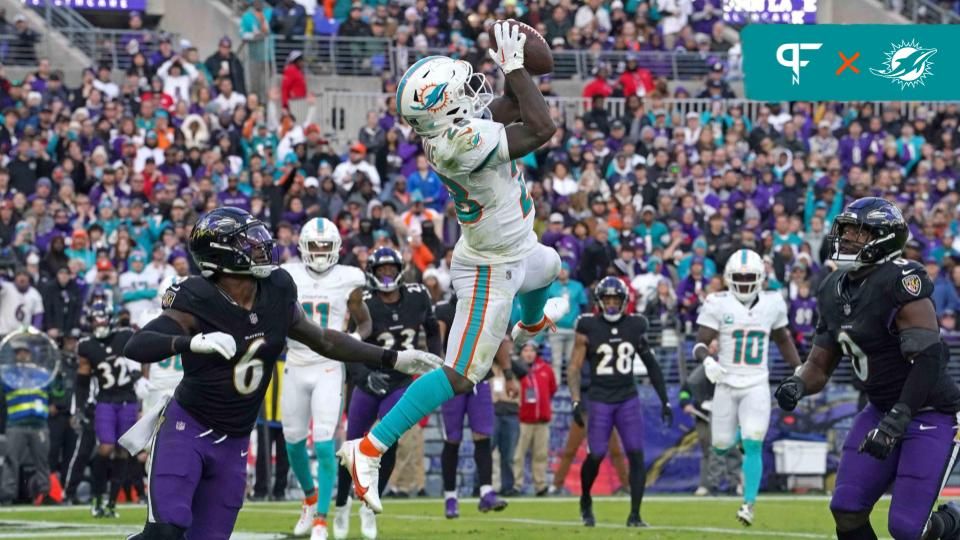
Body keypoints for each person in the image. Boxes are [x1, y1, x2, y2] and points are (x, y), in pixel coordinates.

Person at [341, 22, 567, 515]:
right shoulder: (456, 142)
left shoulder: (454, 128)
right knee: (463, 374)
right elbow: (542, 127)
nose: (473, 90)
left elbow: (513, 107)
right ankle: (369, 448)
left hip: (516, 250)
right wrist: (513, 68)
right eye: (461, 89)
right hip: (490, 268)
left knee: (549, 263)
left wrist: (519, 68)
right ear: (442, 106)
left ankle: (530, 322)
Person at [120, 207, 440, 540]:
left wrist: (393, 358)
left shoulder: (276, 287)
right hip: (187, 428)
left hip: (235, 440)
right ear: (221, 253)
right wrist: (191, 342)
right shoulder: (198, 296)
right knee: (165, 532)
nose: (260, 245)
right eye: (247, 241)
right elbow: (137, 344)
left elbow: (322, 339)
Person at [775, 197, 960, 540]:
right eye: (844, 230)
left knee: (907, 529)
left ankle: (953, 524)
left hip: (929, 411)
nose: (846, 239)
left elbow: (929, 359)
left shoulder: (902, 279)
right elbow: (818, 363)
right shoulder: (832, 288)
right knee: (846, 509)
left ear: (884, 237)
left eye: (858, 233)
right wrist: (797, 385)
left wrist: (898, 419)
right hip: (879, 408)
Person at [334, 247, 442, 540]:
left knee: (387, 443)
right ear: (372, 272)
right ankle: (342, 504)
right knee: (351, 447)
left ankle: (368, 507)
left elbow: (432, 329)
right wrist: (364, 377)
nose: (386, 275)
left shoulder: (418, 295)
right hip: (367, 381)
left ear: (400, 270)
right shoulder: (363, 300)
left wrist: (438, 360)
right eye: (381, 270)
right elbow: (349, 345)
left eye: (390, 270)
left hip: (399, 381)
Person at [692, 248, 801, 526]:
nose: (743, 282)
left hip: (756, 383)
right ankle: (737, 439)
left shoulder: (773, 303)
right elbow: (700, 343)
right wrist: (707, 361)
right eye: (738, 277)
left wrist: (800, 369)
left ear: (760, 277)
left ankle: (748, 505)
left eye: (748, 277)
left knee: (754, 442)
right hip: (726, 384)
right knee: (720, 445)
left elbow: (783, 338)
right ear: (729, 278)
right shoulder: (718, 302)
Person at [281, 217, 371, 540]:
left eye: (325, 246)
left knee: (323, 443)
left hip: (329, 366)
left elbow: (365, 322)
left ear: (336, 249)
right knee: (291, 442)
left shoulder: (349, 278)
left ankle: (321, 518)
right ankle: (309, 497)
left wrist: (355, 342)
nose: (320, 252)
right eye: (315, 246)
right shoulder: (287, 274)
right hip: (295, 361)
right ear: (303, 248)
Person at [568, 277, 671, 528]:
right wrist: (575, 400)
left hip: (627, 397)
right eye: (607, 299)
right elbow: (574, 367)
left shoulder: (635, 325)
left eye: (616, 299)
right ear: (599, 302)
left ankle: (635, 514)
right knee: (597, 454)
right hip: (600, 397)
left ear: (624, 301)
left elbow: (651, 364)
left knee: (636, 453)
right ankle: (585, 500)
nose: (612, 304)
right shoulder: (588, 325)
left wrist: (665, 400)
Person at [434, 293, 510, 517]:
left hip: (480, 377)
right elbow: (436, 344)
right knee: (452, 438)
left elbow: (499, 339)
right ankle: (450, 497)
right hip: (452, 379)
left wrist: (508, 372)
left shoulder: (485, 308)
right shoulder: (445, 311)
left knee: (482, 436)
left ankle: (486, 493)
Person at [75, 301, 137, 518]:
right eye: (95, 319)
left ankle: (111, 502)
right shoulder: (86, 346)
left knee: (122, 449)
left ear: (110, 318)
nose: (99, 322)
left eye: (102, 318)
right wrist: (80, 407)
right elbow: (82, 380)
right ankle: (97, 496)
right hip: (106, 400)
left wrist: (141, 378)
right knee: (106, 447)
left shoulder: (125, 335)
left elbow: (142, 357)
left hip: (128, 399)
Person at [512, 341, 556, 496]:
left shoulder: (546, 369)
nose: (529, 353)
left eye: (532, 350)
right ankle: (516, 484)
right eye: (526, 350)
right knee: (518, 454)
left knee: (541, 455)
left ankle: (540, 485)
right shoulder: (516, 370)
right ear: (521, 353)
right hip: (523, 419)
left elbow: (552, 389)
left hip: (542, 420)